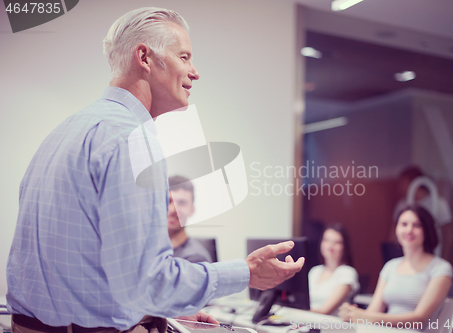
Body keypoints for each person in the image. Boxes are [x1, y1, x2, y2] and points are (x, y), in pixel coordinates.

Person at [6, 7, 304, 333]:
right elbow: (151, 282)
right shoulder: (134, 139)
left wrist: (157, 314)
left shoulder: (65, 131)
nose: (195, 72)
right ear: (145, 57)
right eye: (185, 56)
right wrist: (247, 271)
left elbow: (93, 276)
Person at [339, 205, 453, 331]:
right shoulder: (390, 266)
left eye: (417, 225)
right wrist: (352, 313)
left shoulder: (441, 268)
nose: (409, 230)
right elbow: (374, 310)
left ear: (427, 230)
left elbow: (418, 319)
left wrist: (364, 316)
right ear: (397, 229)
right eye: (404, 224)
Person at [391, 166, 453, 260]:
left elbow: (448, 234)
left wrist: (445, 257)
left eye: (403, 183)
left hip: (433, 255)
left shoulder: (439, 204)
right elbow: (392, 233)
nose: (409, 230)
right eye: (404, 224)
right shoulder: (402, 205)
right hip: (406, 259)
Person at [309, 223, 359, 315]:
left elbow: (324, 311)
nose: (330, 245)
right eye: (326, 240)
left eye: (337, 242)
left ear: (344, 247)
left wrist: (296, 309)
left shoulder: (347, 272)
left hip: (331, 326)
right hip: (306, 322)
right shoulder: (315, 271)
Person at [168, 175, 212, 263]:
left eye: (181, 203)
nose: (173, 209)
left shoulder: (196, 259)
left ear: (192, 210)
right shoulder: (149, 250)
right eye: (168, 201)